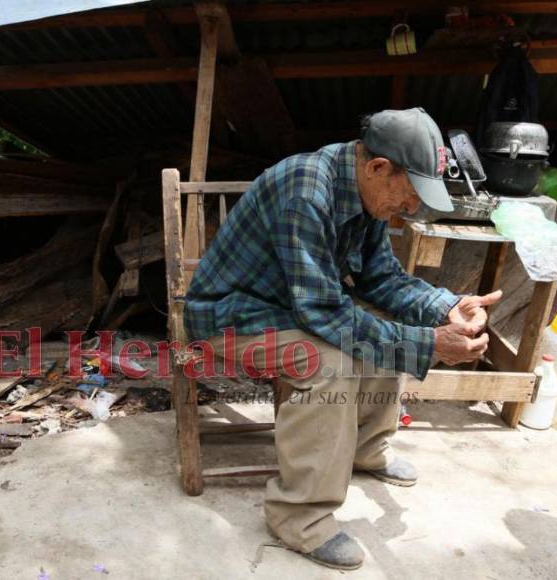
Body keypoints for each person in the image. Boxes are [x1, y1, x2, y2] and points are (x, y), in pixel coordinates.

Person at [184, 108, 501, 570]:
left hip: (290, 306)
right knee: (331, 361)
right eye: (411, 195)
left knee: (378, 329)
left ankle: (364, 449)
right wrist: (429, 344)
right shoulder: (305, 189)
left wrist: (444, 306)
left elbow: (382, 279)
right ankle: (301, 519)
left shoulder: (367, 193)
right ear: (378, 168)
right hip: (230, 318)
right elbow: (325, 312)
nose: (412, 208)